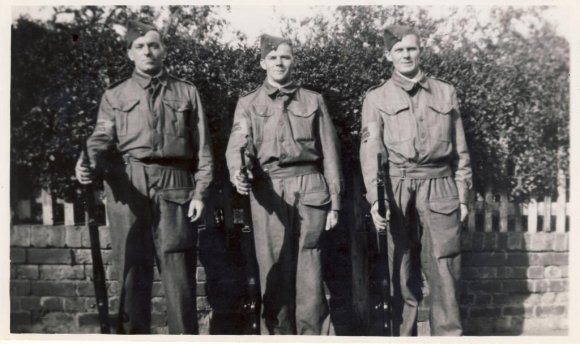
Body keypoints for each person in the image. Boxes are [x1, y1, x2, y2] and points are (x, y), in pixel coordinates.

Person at [75, 19, 213, 334]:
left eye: (154, 45)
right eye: (140, 46)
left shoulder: (186, 92)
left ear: (164, 50)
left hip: (175, 183)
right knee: (130, 276)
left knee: (180, 281)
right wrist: (86, 162)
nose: (147, 51)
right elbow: (101, 138)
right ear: (130, 54)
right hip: (129, 184)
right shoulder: (115, 95)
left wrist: (200, 193)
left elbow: (203, 148)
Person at [225, 34, 343, 335]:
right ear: (263, 62)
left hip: (311, 188)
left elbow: (330, 153)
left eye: (286, 57)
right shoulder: (248, 103)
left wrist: (335, 202)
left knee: (311, 272)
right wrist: (239, 170)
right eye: (273, 57)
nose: (280, 62)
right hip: (269, 189)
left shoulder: (313, 100)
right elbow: (239, 145)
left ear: (294, 61)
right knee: (273, 270)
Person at [359, 25, 472, 336]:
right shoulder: (376, 97)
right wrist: (375, 199)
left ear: (421, 50)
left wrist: (462, 196)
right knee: (401, 268)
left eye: (411, 48)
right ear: (388, 56)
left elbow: (460, 150)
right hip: (398, 187)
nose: (406, 54)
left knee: (445, 268)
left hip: (441, 185)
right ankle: (402, 336)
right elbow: (370, 153)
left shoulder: (445, 91)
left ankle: (448, 336)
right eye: (399, 50)